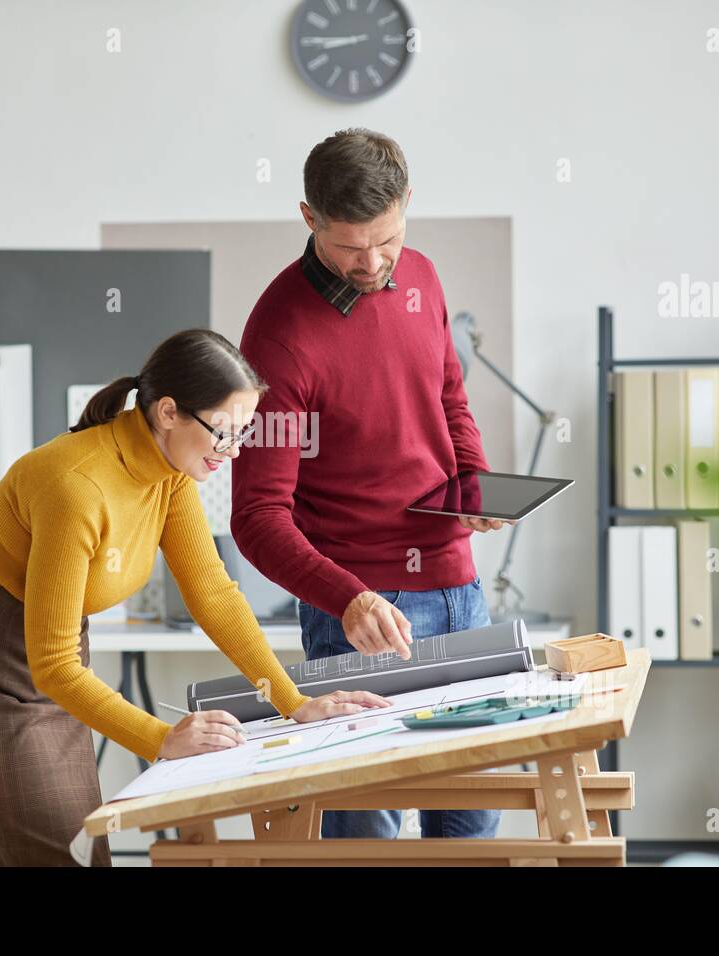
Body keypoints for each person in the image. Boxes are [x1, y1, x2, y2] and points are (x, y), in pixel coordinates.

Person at [0, 328, 387, 865]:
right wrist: (162, 738)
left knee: (81, 845)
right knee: (50, 849)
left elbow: (212, 593)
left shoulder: (171, 473)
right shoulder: (76, 487)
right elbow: (54, 665)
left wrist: (290, 701)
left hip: (47, 660)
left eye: (241, 434)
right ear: (168, 412)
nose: (231, 451)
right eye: (221, 432)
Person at [232, 128, 510, 841]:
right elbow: (257, 517)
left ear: (407, 204)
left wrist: (473, 479)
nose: (375, 262)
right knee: (367, 841)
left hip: (459, 586)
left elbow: (448, 393)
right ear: (309, 219)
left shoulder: (422, 273)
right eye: (351, 247)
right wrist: (346, 598)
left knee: (472, 820)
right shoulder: (276, 336)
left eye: (386, 239)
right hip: (359, 610)